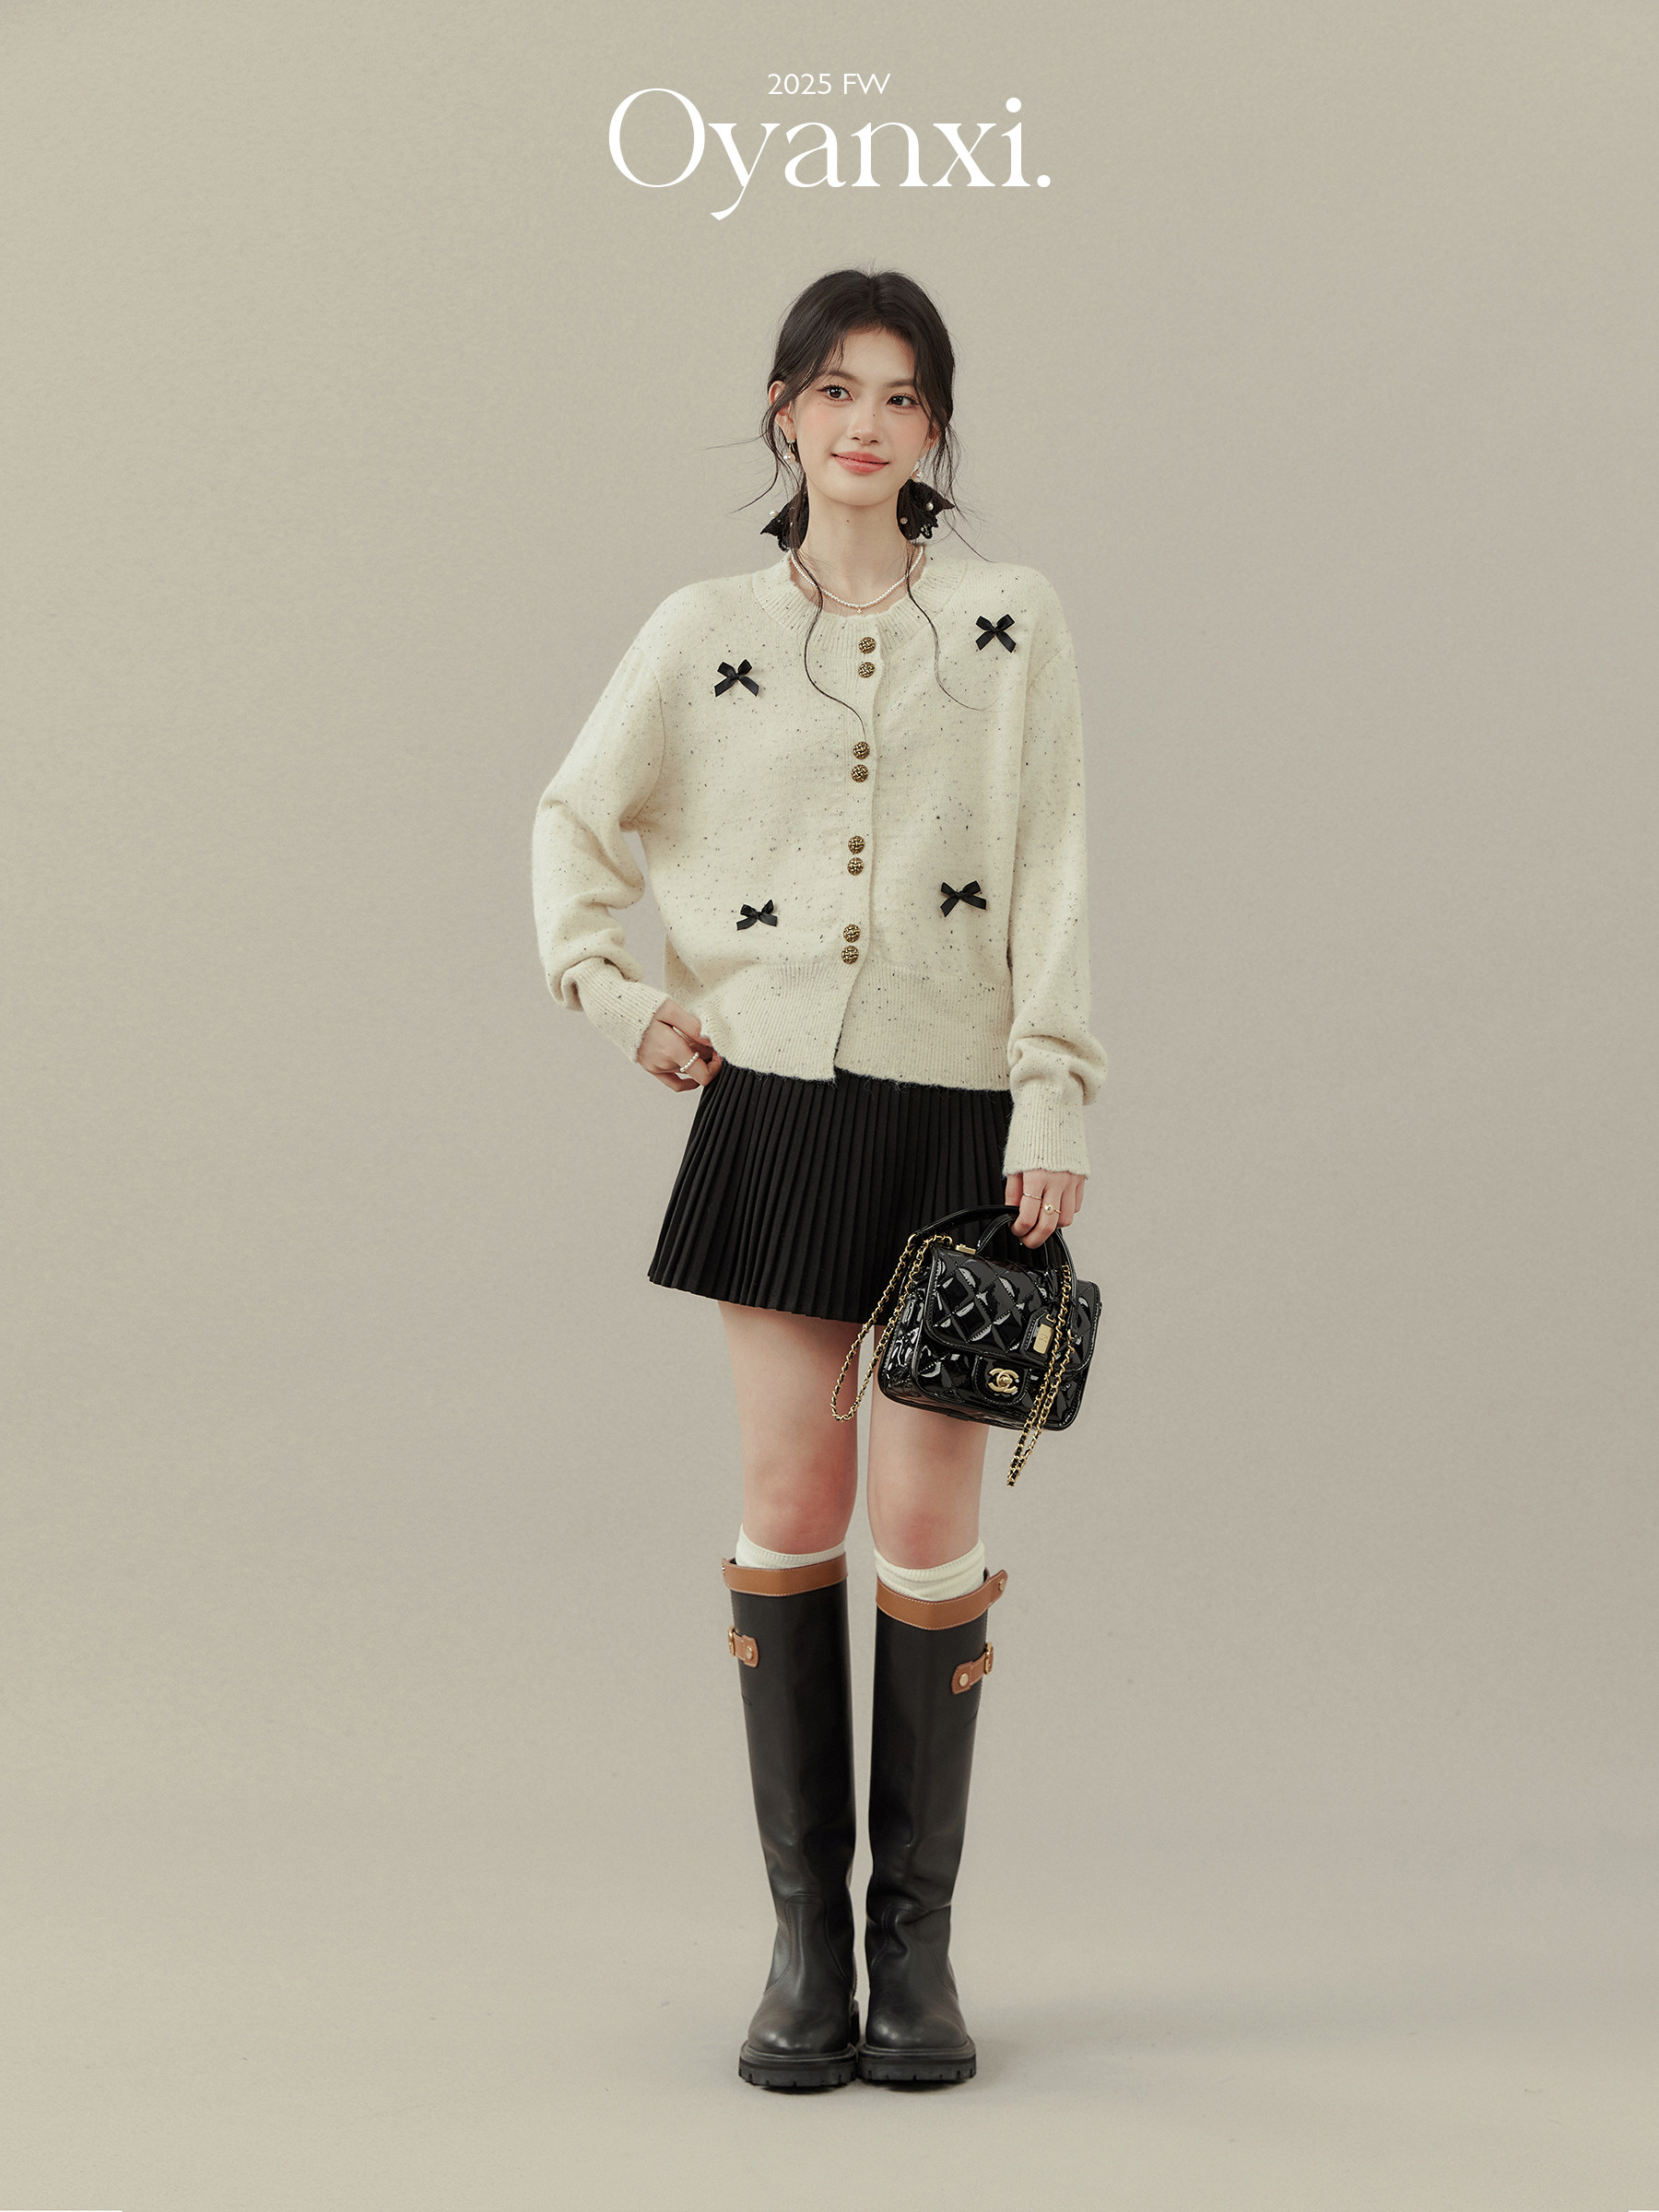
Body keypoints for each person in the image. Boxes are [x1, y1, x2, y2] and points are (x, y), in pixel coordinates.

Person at [531, 266, 1106, 2090]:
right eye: (835, 388)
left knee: (929, 1528)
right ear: (783, 407)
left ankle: (914, 1953)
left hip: (956, 1122)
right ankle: (806, 1945)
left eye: (902, 395)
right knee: (792, 1500)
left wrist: (1053, 1096)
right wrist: (619, 997)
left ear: (936, 427)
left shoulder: (1009, 622)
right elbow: (575, 820)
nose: (867, 423)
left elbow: (1054, 857)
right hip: (775, 1110)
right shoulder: (702, 629)